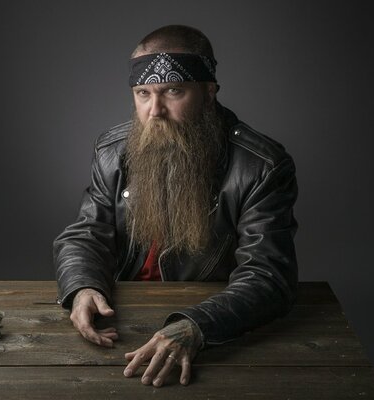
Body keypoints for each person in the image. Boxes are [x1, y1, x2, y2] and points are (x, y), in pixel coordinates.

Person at [53, 25, 298, 387]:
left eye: (173, 91)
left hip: (213, 322)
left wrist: (196, 326)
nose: (155, 110)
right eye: (143, 93)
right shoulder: (112, 149)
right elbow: (89, 231)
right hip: (120, 318)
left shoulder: (262, 166)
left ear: (209, 92)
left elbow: (268, 276)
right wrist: (83, 287)